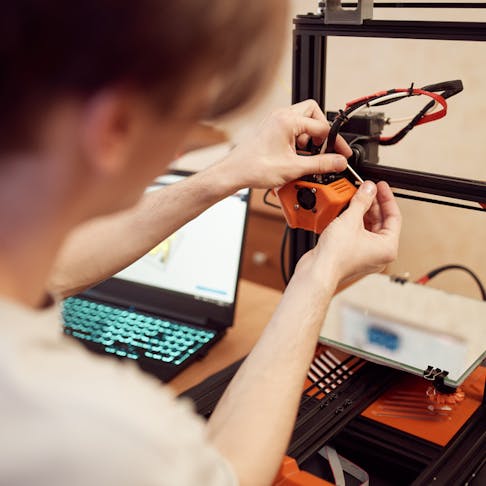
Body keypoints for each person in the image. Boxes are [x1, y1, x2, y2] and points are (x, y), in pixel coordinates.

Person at [0, 1, 401, 485]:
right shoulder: (95, 431)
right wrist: (319, 274)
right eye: (189, 117)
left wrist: (226, 174)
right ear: (115, 127)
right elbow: (231, 472)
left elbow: (57, 266)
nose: (179, 147)